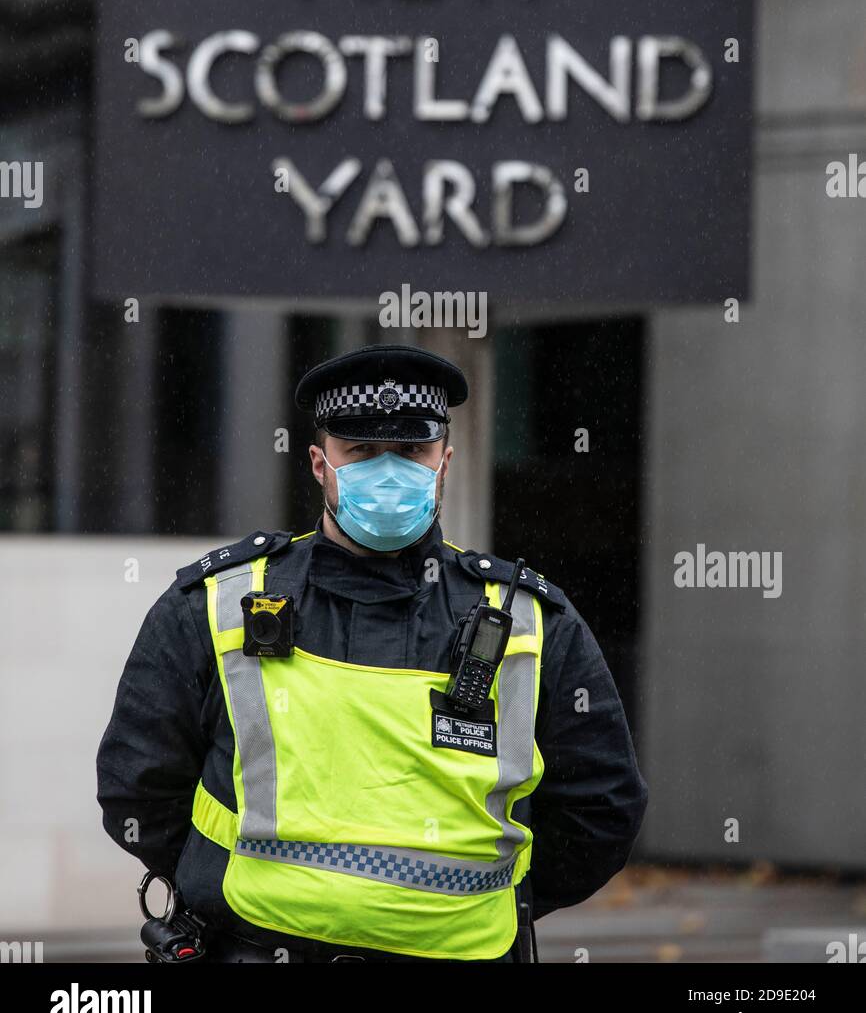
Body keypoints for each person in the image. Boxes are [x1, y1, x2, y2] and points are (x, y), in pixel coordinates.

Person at [97, 343, 648, 963]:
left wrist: (485, 904)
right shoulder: (219, 602)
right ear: (318, 463)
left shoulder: (532, 619)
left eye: (411, 450)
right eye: (360, 451)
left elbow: (602, 809)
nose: (388, 473)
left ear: (445, 462)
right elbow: (136, 783)